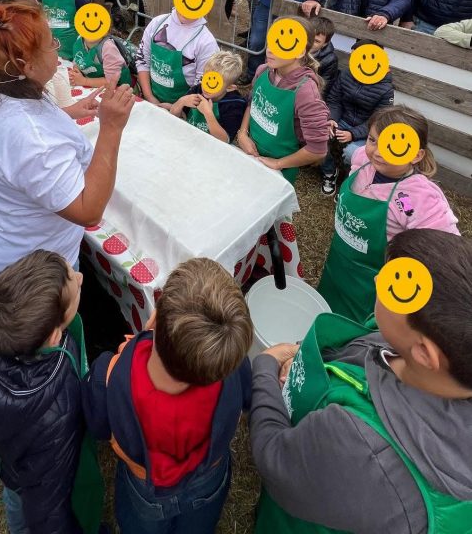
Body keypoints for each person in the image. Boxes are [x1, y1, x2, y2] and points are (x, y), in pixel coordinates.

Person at [250, 229, 472, 534]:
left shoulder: (362, 446)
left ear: (424, 353)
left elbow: (274, 456)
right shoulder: (426, 353)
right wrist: (307, 356)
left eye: (394, 288)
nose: (378, 281)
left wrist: (264, 369)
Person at [0, 0, 134, 321]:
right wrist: (111, 129)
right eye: (51, 44)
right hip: (23, 278)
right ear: (26, 66)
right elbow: (88, 211)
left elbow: (9, 136)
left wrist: (66, 113)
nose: (57, 51)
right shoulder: (34, 141)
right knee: (24, 345)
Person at [82, 257, 253, 534]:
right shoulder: (230, 368)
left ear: (154, 318)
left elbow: (97, 425)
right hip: (209, 476)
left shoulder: (109, 376)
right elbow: (248, 397)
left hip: (145, 487)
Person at [0, 250, 88, 534]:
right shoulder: (55, 412)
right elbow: (48, 507)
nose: (81, 277)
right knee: (27, 507)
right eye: (75, 282)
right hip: (38, 475)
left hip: (10, 464)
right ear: (54, 337)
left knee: (14, 499)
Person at [318, 105, 460, 322]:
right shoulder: (362, 159)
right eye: (373, 140)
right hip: (339, 261)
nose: (377, 152)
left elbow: (445, 250)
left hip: (371, 285)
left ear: (416, 155)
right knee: (326, 307)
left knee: (352, 329)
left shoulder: (413, 198)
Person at [236, 19, 329, 183]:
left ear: (300, 52)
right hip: (250, 152)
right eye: (271, 41)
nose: (270, 50)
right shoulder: (263, 70)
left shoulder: (306, 92)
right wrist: (242, 133)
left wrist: (278, 164)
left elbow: (318, 150)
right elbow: (252, 102)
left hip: (279, 169)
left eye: (282, 44)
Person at [319, 42, 395, 196]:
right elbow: (334, 100)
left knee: (352, 153)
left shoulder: (386, 89)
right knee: (324, 136)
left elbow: (379, 120)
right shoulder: (346, 74)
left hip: (366, 131)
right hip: (342, 120)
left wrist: (353, 134)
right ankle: (329, 173)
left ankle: (349, 183)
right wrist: (332, 119)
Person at [136, 5, 219, 108]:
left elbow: (201, 85)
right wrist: (150, 97)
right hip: (151, 98)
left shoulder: (206, 42)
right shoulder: (157, 23)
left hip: (184, 109)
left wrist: (177, 108)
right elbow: (143, 60)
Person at [169, 50, 247, 143]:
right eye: (206, 79)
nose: (206, 87)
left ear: (230, 88)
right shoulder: (197, 89)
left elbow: (225, 139)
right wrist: (181, 101)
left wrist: (208, 113)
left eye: (215, 84)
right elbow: (174, 114)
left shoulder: (234, 104)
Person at [309, 16, 338, 100]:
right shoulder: (295, 47)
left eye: (316, 41)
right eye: (309, 36)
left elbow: (324, 88)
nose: (310, 42)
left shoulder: (330, 60)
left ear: (325, 44)